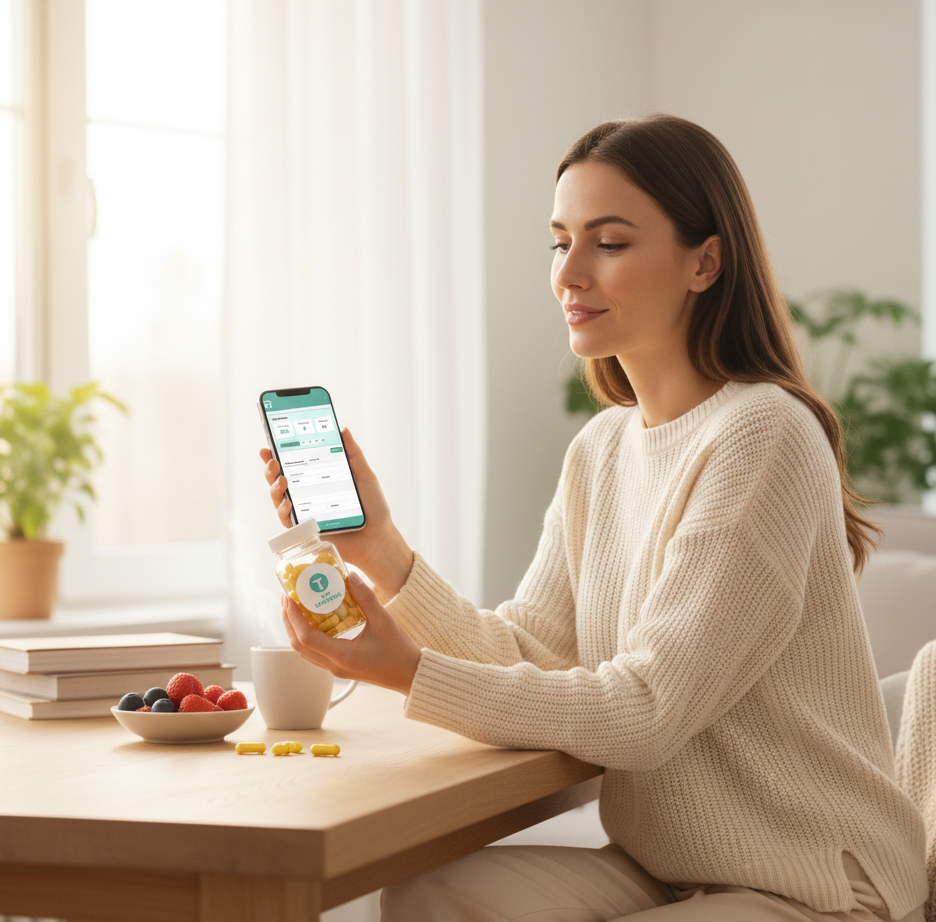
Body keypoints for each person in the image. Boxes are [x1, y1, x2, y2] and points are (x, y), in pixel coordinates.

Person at [259, 115, 929, 921]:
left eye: (608, 243)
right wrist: (381, 547)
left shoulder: (764, 435)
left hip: (815, 880)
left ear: (704, 262)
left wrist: (408, 672)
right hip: (665, 865)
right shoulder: (602, 447)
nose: (568, 274)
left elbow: (646, 711)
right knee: (433, 894)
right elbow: (530, 650)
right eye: (559, 242)